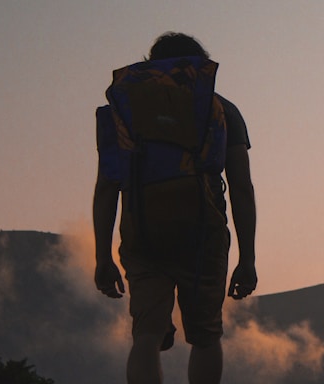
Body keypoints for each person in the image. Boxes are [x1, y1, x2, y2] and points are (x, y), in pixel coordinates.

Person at [92, 32, 257, 384]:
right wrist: (247, 259)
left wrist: (102, 256)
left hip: (142, 230)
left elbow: (107, 187)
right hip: (203, 233)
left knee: (146, 335)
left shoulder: (128, 111)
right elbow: (242, 187)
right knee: (205, 335)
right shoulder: (221, 109)